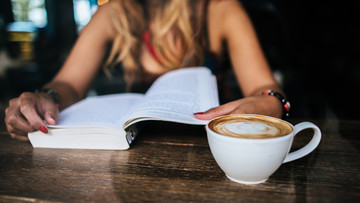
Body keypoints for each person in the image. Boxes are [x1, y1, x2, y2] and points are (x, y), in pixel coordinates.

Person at [5, 0, 288, 141]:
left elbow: (263, 87)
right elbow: (70, 84)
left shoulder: (221, 9)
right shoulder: (113, 12)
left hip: (212, 157)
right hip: (133, 161)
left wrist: (271, 100)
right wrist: (47, 96)